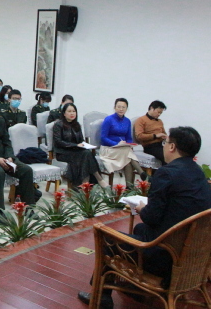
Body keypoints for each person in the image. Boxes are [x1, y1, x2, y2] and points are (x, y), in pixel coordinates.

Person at [78, 126, 211, 308]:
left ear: (172, 147)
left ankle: (102, 297)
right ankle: (136, 288)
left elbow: (152, 217)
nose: (164, 147)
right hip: (193, 256)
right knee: (140, 229)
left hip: (166, 258)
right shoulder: (198, 173)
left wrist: (142, 208)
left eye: (165, 143)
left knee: (108, 239)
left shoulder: (166, 174)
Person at [53, 103, 108, 189]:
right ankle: (98, 179)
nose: (72, 113)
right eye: (69, 111)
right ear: (64, 113)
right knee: (86, 154)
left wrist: (85, 145)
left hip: (76, 151)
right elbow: (58, 142)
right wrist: (75, 145)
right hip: (63, 153)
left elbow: (81, 140)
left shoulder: (76, 125)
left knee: (87, 153)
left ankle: (85, 184)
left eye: (74, 111)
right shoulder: (58, 125)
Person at [99, 98, 147, 186]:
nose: (121, 109)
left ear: (126, 109)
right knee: (128, 153)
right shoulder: (108, 119)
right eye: (119, 107)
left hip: (122, 149)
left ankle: (128, 188)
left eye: (123, 107)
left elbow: (129, 138)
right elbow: (103, 138)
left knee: (128, 162)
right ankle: (141, 173)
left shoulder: (127, 121)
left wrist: (129, 144)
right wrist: (116, 144)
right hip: (109, 149)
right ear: (114, 107)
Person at [134, 100, 168, 164]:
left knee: (175, 154)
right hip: (150, 147)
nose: (159, 114)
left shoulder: (159, 121)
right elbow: (139, 136)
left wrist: (165, 137)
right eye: (158, 112)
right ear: (152, 108)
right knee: (166, 156)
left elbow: (164, 134)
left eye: (161, 113)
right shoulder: (141, 120)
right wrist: (155, 136)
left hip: (161, 145)